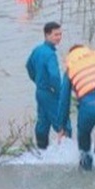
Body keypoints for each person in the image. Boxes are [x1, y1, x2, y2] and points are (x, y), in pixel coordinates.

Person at [25, 21, 69, 149]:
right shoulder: (50, 55)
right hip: (51, 92)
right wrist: (59, 92)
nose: (59, 37)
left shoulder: (37, 50)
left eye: (60, 34)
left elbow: (29, 66)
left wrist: (37, 81)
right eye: (56, 35)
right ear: (47, 35)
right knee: (63, 123)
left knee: (43, 122)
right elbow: (55, 76)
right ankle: (66, 154)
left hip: (40, 91)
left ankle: (41, 150)